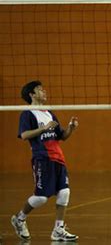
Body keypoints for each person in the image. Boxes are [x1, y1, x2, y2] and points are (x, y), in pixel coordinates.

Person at [11, 81, 79, 241]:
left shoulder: (49, 113)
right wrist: (43, 128)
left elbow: (61, 136)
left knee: (64, 193)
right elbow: (24, 135)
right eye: (40, 90)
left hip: (58, 159)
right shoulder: (27, 113)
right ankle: (19, 219)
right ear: (32, 95)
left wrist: (70, 128)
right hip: (42, 158)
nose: (44, 91)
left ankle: (58, 229)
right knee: (41, 197)